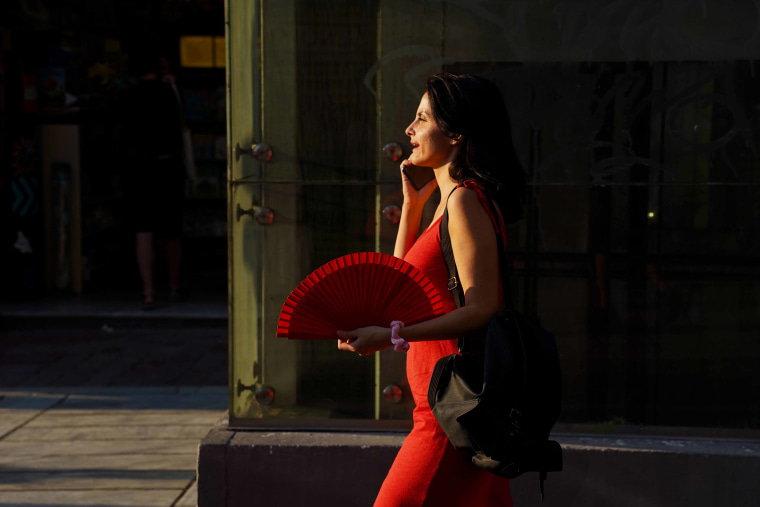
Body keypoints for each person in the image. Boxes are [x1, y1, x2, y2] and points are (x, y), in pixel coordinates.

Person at [337, 73, 526, 506]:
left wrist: (391, 336)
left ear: (456, 134)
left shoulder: (465, 200)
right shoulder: (446, 202)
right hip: (443, 407)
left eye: (422, 118)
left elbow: (483, 307)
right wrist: (412, 208)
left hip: (452, 412)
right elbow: (399, 290)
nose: (409, 129)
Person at [116, 49, 196, 309]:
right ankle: (174, 285)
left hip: (138, 168)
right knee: (172, 229)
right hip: (167, 165)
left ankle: (148, 291)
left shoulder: (126, 96)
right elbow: (180, 124)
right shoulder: (168, 94)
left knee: (143, 229)